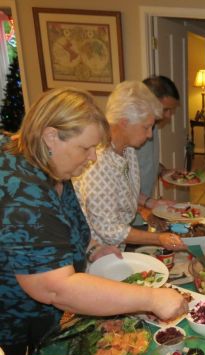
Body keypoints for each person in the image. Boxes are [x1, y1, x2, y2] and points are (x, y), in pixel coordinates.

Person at [0, 88, 189, 355]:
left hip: (41, 325)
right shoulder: (24, 194)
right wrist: (151, 298)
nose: (92, 158)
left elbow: (66, 227)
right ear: (51, 137)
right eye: (85, 148)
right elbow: (56, 289)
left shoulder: (51, 166)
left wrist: (91, 248)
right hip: (12, 334)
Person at [73, 81, 187, 251]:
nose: (150, 135)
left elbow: (123, 189)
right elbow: (109, 230)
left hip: (115, 249)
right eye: (146, 127)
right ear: (124, 122)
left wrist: (151, 202)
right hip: (95, 253)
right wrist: (159, 238)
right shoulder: (99, 161)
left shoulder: (128, 150)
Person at [136, 75, 180, 199]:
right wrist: (144, 206)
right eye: (165, 109)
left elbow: (145, 163)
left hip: (143, 204)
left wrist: (163, 171)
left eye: (172, 110)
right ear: (147, 103)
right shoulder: (133, 133)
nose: (169, 115)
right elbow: (123, 185)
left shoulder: (152, 127)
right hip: (132, 209)